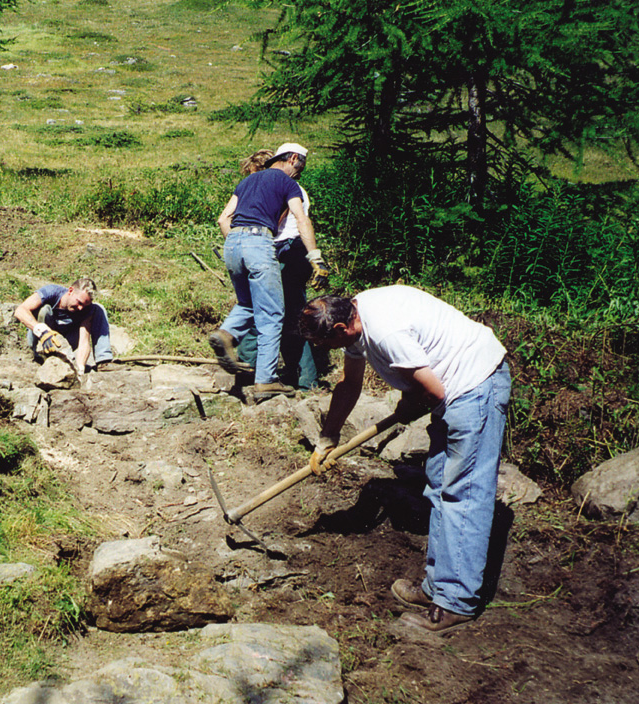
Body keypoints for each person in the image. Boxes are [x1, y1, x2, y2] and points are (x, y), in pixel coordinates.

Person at [299, 286, 511, 633]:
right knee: (440, 486)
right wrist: (328, 437)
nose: (325, 351)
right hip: (452, 390)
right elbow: (350, 384)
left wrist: (409, 404)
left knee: (463, 495)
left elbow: (432, 392)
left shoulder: (386, 331)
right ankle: (437, 588)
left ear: (340, 329)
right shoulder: (353, 318)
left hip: (474, 385)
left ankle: (456, 602)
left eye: (325, 344)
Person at [208, 142, 329, 399]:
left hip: (233, 243)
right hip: (261, 244)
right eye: (301, 166)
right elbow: (301, 219)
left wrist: (240, 246)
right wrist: (316, 258)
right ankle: (266, 381)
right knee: (272, 315)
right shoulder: (288, 183)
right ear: (293, 158)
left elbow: (223, 218)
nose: (300, 172)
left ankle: (226, 333)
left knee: (247, 303)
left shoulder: (247, 182)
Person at [14, 277, 113, 373]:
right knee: (44, 310)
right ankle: (39, 357)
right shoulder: (51, 292)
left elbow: (84, 340)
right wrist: (40, 330)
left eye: (84, 305)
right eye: (79, 302)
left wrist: (80, 367)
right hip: (43, 336)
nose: (80, 308)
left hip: (67, 341)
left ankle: (103, 361)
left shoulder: (85, 309)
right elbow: (20, 310)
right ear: (71, 291)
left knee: (98, 308)